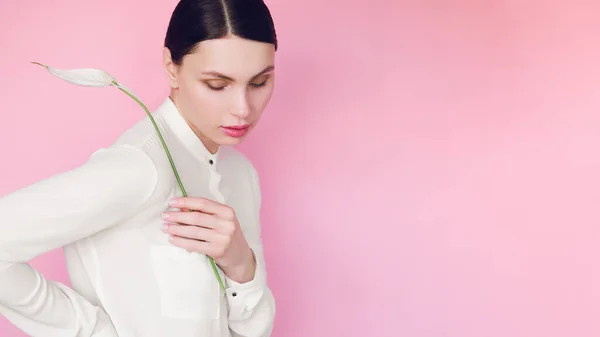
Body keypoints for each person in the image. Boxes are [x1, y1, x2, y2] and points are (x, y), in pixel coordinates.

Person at [0, 0, 277, 336]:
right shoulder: (139, 168)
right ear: (171, 67)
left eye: (259, 83)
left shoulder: (240, 173)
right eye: (217, 85)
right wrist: (93, 330)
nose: (243, 109)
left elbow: (253, 330)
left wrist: (241, 266)